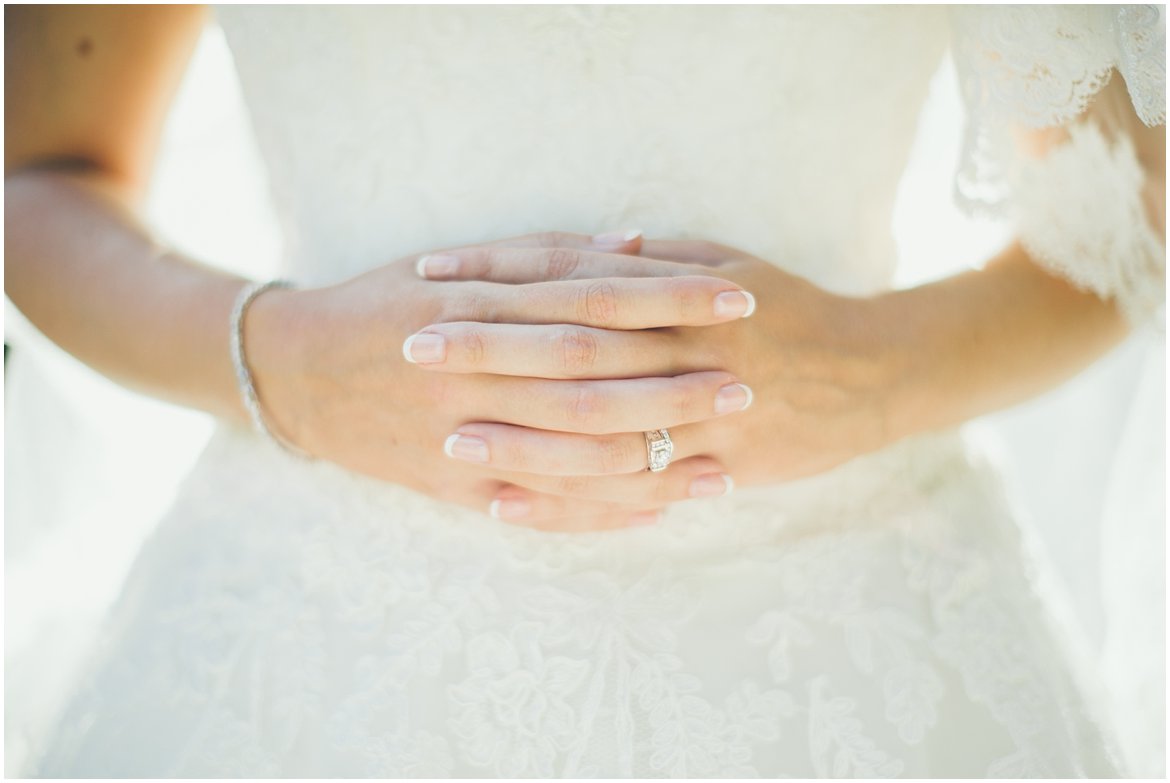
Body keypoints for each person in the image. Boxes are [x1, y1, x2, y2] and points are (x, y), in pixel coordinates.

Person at [6, 4, 1163, 777]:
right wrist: (286, 365)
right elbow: (36, 174)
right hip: (302, 627)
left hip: (857, 639)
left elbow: (1133, 207)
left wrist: (872, 370)